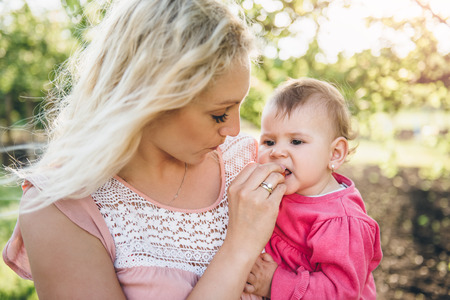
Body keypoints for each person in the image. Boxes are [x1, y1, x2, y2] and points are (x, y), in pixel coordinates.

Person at [2, 0, 287, 299]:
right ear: (150, 99)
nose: (234, 130)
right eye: (219, 113)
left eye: (238, 106)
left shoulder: (246, 162)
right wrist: (239, 247)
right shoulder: (61, 207)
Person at [244, 78, 383, 299]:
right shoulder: (277, 191)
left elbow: (341, 293)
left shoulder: (340, 221)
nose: (277, 152)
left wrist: (274, 283)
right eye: (269, 142)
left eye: (296, 141)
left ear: (334, 153)